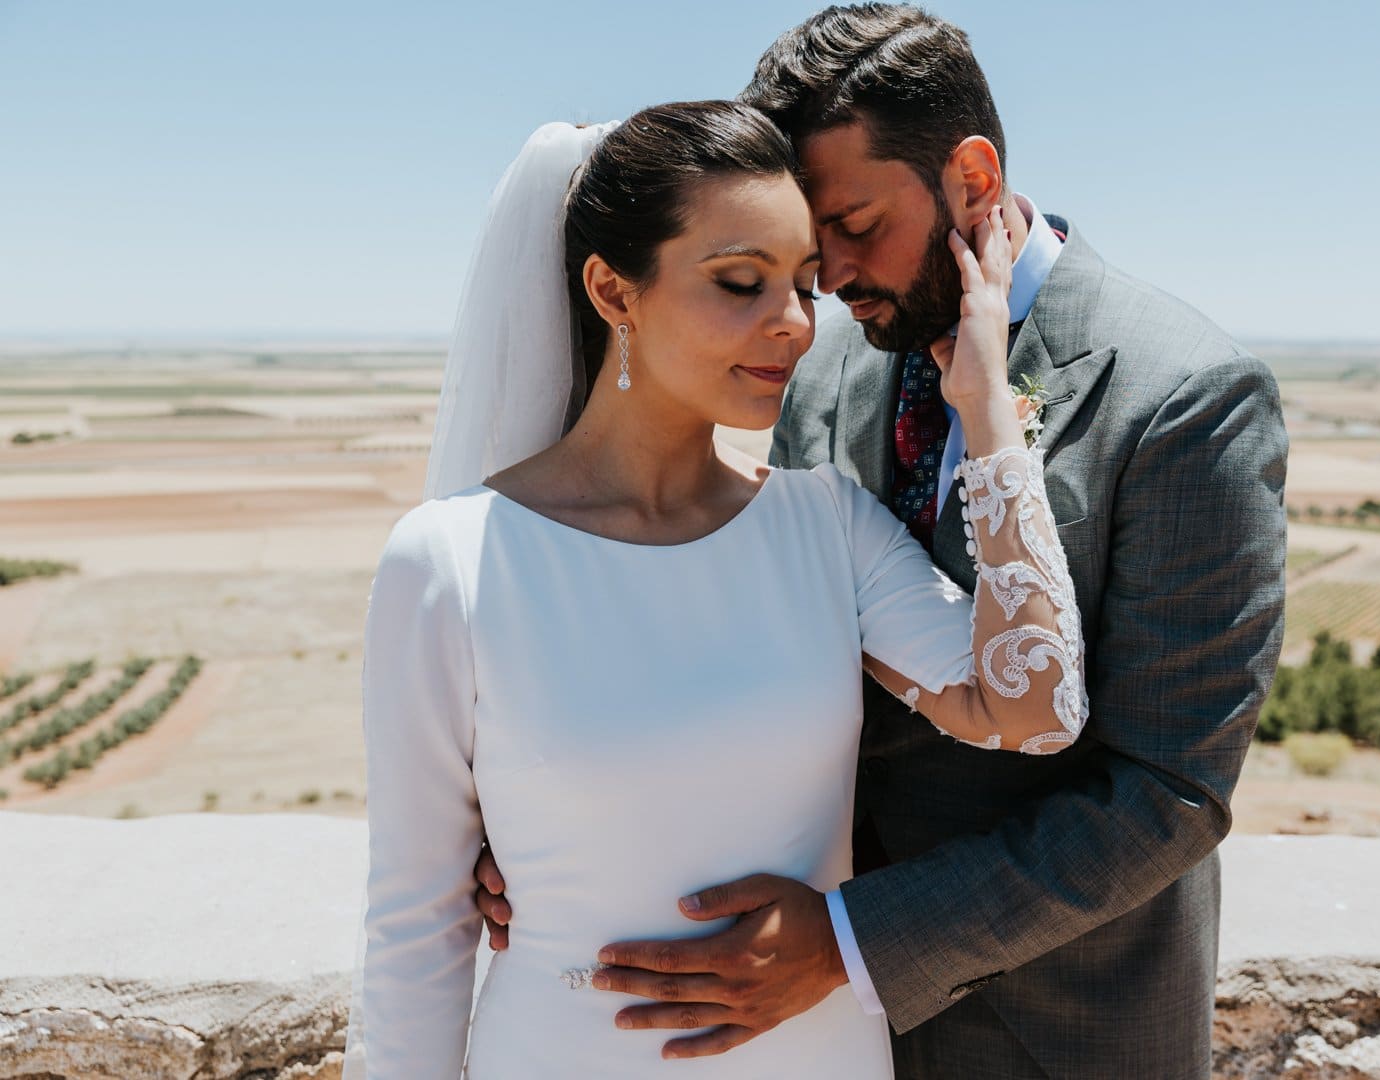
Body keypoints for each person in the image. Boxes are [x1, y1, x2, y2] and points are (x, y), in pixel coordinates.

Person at [472, 6, 1289, 1078]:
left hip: (1058, 1027)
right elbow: (731, 629)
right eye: (811, 243)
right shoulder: (814, 365)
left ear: (973, 176)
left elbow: (1167, 791)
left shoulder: (1183, 395)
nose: (828, 281)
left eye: (855, 225)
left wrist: (857, 941)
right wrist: (556, 821)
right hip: (785, 1030)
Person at [348, 100, 1086, 1078]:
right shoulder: (449, 563)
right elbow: (413, 935)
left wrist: (991, 418)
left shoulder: (828, 526)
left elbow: (1038, 709)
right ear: (614, 291)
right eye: (741, 283)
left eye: (806, 286)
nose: (791, 325)